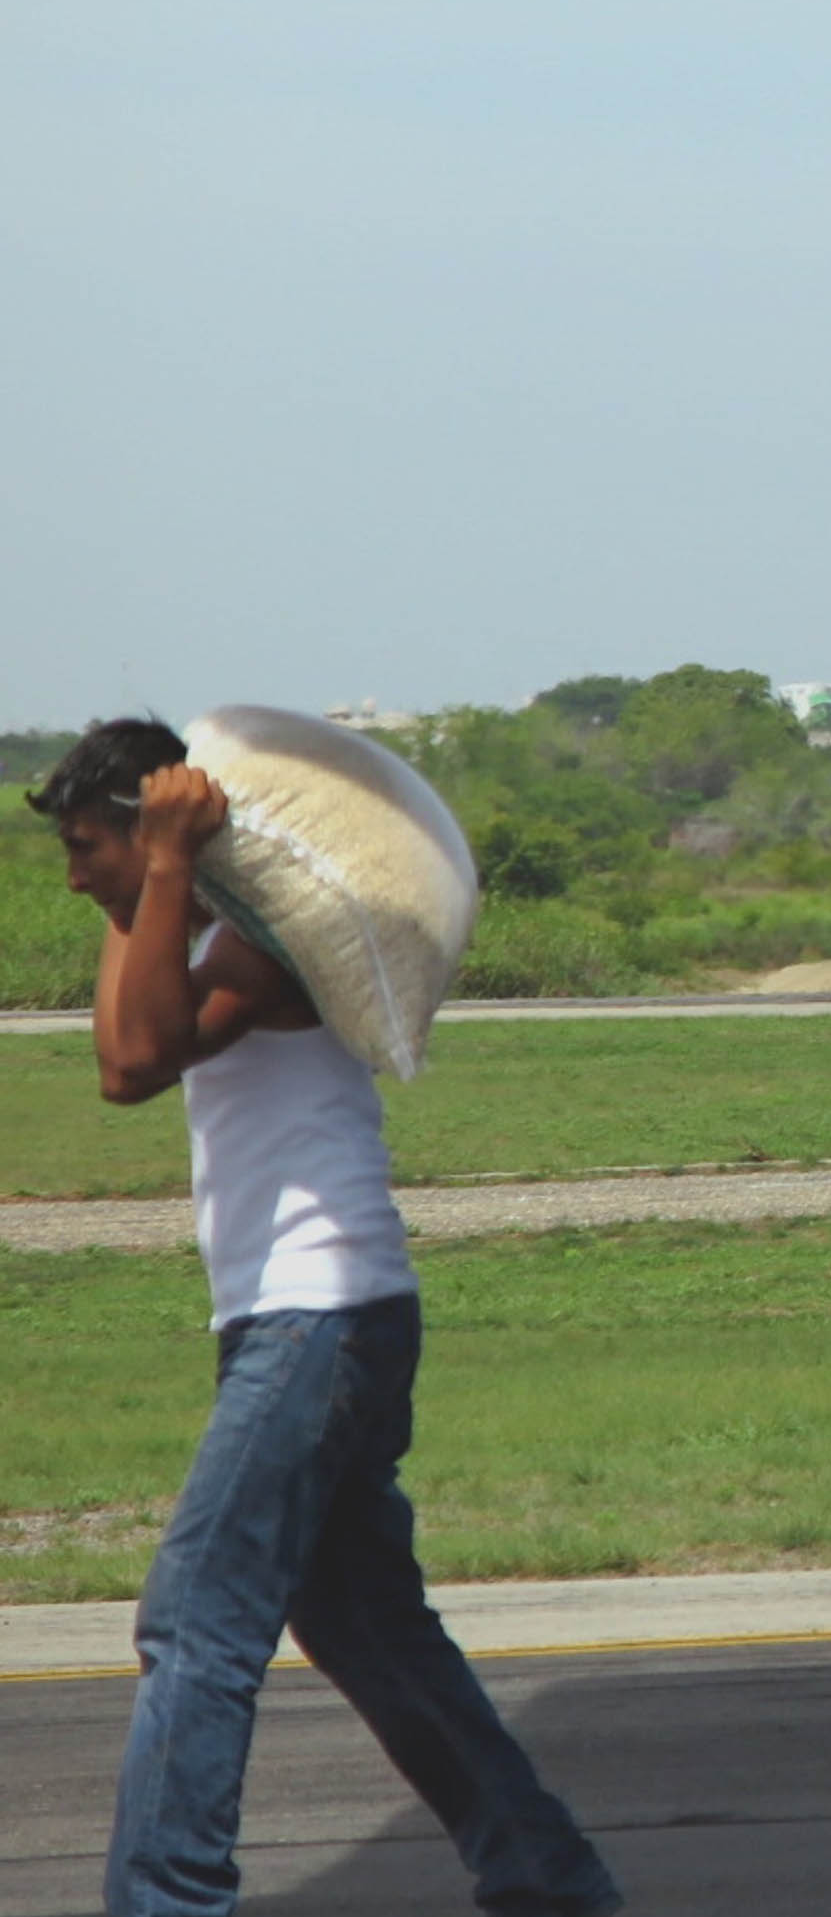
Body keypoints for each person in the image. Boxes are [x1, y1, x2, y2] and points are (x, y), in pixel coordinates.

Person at [35, 721, 619, 1917]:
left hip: (323, 1312)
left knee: (194, 1622)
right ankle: (549, 1877)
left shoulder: (267, 941)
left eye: (86, 846)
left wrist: (162, 868)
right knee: (368, 1628)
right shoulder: (188, 924)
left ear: (152, 834)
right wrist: (146, 881)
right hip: (296, 1319)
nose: (71, 872)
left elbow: (135, 1064)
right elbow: (121, 1044)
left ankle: (166, 1898)